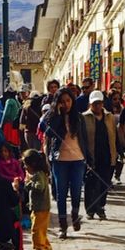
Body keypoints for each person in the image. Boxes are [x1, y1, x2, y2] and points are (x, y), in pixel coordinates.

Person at [43, 86, 88, 237]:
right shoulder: (53, 116)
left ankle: (75, 215)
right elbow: (48, 133)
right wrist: (58, 115)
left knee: (76, 191)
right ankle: (63, 225)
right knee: (61, 194)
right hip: (59, 160)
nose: (66, 104)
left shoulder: (79, 117)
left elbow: (85, 139)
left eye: (68, 101)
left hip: (77, 160)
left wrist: (89, 158)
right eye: (63, 102)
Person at [80, 89, 117, 220]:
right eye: (94, 103)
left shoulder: (110, 117)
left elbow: (114, 135)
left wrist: (119, 151)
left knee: (104, 183)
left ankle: (101, 207)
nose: (97, 106)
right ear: (90, 104)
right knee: (90, 183)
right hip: (91, 156)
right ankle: (90, 209)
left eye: (99, 103)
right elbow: (82, 138)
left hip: (107, 154)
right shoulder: (84, 118)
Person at [23, 149, 53, 250]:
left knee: (36, 229)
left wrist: (28, 184)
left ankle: (39, 248)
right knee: (42, 229)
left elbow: (39, 187)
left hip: (40, 208)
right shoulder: (42, 174)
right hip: (41, 207)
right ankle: (46, 246)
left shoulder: (37, 175)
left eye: (26, 165)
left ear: (32, 164)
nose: (24, 167)